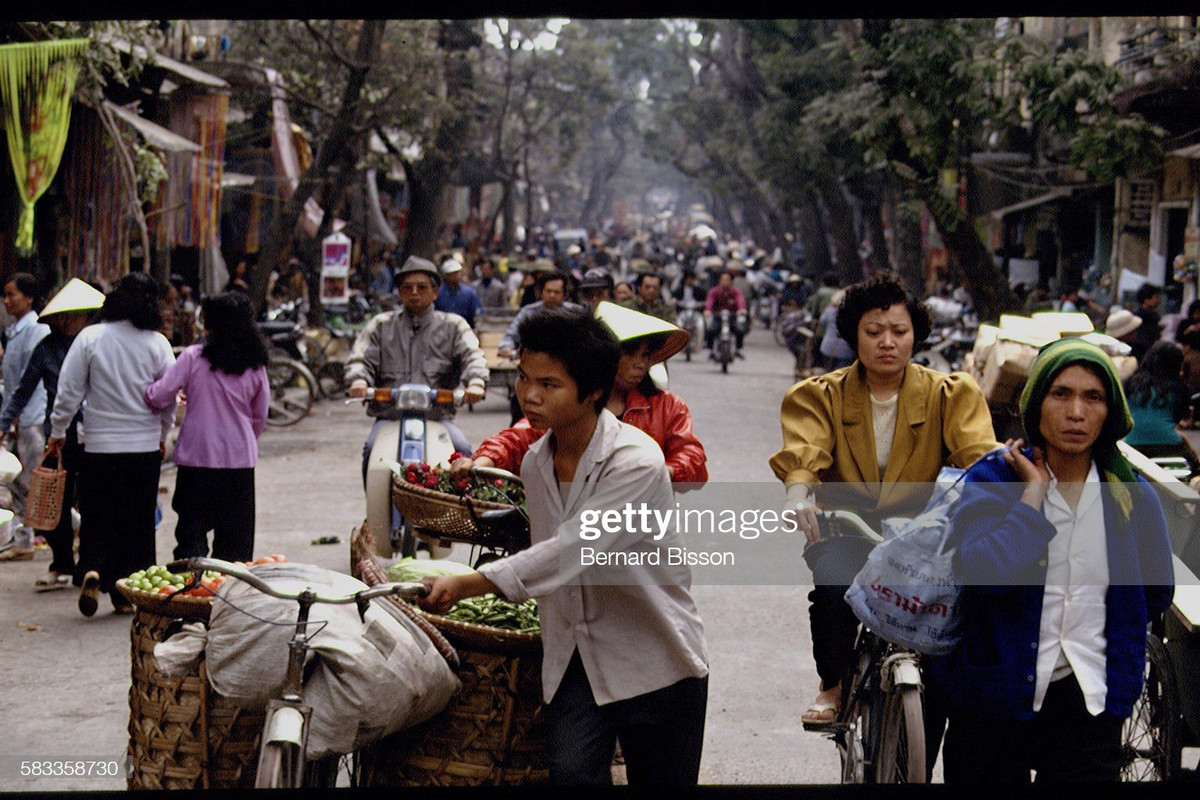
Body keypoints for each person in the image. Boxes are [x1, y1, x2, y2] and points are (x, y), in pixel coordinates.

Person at [419, 307, 710, 786]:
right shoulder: (535, 463)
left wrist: (469, 582)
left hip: (657, 658)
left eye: (549, 385)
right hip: (577, 662)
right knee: (570, 774)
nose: (529, 395)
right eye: (523, 379)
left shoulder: (636, 461)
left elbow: (574, 549)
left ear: (593, 390)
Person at [930, 337, 1174, 784]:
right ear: (1036, 405)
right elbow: (981, 574)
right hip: (993, 697)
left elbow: (1157, 591)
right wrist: (1032, 499)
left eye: (1093, 397)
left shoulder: (1131, 494)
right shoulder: (994, 478)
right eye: (1061, 393)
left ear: (1111, 413)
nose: (1076, 411)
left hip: (1090, 703)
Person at [769, 273, 998, 740]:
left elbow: (978, 455)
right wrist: (798, 495)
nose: (887, 343)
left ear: (916, 334)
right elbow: (805, 453)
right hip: (847, 527)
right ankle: (832, 683)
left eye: (899, 331)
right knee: (834, 591)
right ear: (854, 335)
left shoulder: (949, 393)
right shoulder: (822, 395)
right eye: (874, 332)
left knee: (959, 606)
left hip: (925, 533)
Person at [456, 302, 707, 489]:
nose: (640, 364)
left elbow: (692, 458)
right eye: (630, 354)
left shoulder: (667, 407)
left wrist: (664, 472)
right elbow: (519, 437)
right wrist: (484, 461)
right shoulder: (572, 408)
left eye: (645, 355)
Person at [47, 272, 176, 617]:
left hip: (100, 445)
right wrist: (163, 434)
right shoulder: (157, 344)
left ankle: (91, 566)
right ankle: (127, 588)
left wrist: (58, 430)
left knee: (97, 513)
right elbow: (168, 399)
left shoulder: (91, 337)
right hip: (144, 445)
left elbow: (69, 391)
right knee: (136, 520)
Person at [144, 292, 270, 563]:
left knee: (191, 534)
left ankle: (193, 592)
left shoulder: (193, 357)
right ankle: (227, 596)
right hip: (239, 462)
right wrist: (243, 437)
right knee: (236, 544)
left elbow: (157, 395)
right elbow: (260, 416)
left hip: (196, 459)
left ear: (210, 325)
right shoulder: (255, 364)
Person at [0, 279, 104, 585]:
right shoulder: (46, 349)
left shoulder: (98, 344)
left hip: (95, 434)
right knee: (47, 500)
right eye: (64, 316)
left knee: (91, 500)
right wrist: (4, 423)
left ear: (88, 316)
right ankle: (62, 558)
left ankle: (88, 563)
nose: (69, 322)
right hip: (57, 436)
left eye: (77, 315)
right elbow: (22, 391)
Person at [345, 256, 489, 471]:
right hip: (390, 417)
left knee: (462, 452)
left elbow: (473, 355)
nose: (414, 292)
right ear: (400, 292)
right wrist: (358, 381)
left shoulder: (454, 326)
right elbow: (360, 358)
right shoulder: (381, 325)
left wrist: (476, 381)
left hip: (437, 417)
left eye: (422, 287)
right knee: (371, 451)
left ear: (435, 292)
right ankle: (376, 505)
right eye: (407, 287)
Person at [0, 273, 50, 561]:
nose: (7, 301)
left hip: (30, 417)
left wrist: (14, 416)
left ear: (28, 298)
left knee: (32, 482)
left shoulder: (36, 330)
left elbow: (29, 379)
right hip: (16, 415)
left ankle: (29, 537)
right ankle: (23, 538)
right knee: (19, 481)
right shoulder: (15, 330)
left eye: (12, 294)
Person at [1120, 340, 1198, 472]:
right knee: (1194, 466)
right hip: (1169, 445)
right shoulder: (1178, 389)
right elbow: (1180, 419)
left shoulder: (1131, 384)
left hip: (1132, 444)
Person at [497, 272, 581, 358]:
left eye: (556, 292)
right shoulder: (528, 313)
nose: (552, 295)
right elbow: (510, 337)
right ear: (541, 292)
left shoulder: (576, 313)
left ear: (565, 294)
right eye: (548, 291)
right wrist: (508, 349)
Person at [703, 269, 747, 355]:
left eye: (727, 280)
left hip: (731, 317)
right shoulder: (714, 292)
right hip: (718, 317)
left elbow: (740, 300)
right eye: (723, 280)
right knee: (711, 330)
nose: (725, 282)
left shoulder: (735, 292)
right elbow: (709, 301)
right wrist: (708, 310)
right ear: (719, 281)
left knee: (740, 330)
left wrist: (742, 309)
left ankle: (738, 349)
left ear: (731, 282)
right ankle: (711, 349)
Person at [434, 255, 484, 329]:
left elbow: (477, 313)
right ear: (446, 276)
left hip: (465, 329)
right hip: (443, 330)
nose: (456, 276)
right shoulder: (438, 293)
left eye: (457, 273)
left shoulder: (469, 293)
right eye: (452, 274)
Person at [1131, 283, 1163, 362]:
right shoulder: (1138, 317)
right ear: (1146, 300)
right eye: (1155, 297)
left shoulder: (1154, 316)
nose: (1158, 300)